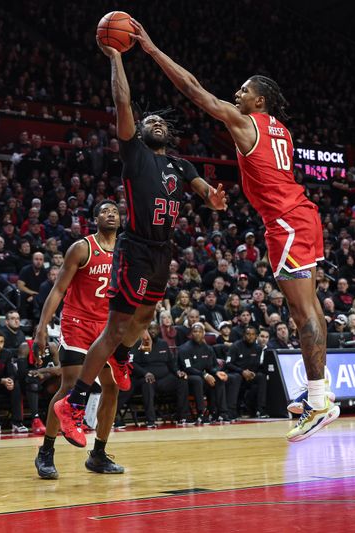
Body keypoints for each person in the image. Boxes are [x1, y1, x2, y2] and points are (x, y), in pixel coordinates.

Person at [131, 20, 338, 442]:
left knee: (301, 314)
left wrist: (152, 50)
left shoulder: (246, 122)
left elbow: (194, 90)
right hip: (302, 215)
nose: (237, 94)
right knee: (312, 308)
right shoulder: (282, 130)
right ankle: (322, 393)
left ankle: (318, 403)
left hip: (285, 222)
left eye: (244, 90)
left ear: (258, 99)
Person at [54, 36, 226, 448]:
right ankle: (74, 405)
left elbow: (202, 189)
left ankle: (123, 358)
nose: (156, 124)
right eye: (150, 122)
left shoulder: (180, 164)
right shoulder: (135, 154)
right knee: (115, 327)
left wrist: (212, 199)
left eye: (161, 122)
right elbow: (124, 104)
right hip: (135, 246)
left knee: (145, 318)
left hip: (163, 251)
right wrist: (116, 57)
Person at [34, 201, 125, 478]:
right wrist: (41, 327)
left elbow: (130, 293)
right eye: (104, 211)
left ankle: (98, 454)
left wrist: (139, 329)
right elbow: (59, 288)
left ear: (121, 220)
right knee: (71, 385)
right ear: (95, 219)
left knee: (113, 387)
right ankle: (46, 452)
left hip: (107, 326)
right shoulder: (82, 248)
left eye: (115, 212)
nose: (110, 214)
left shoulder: (125, 251)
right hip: (77, 323)